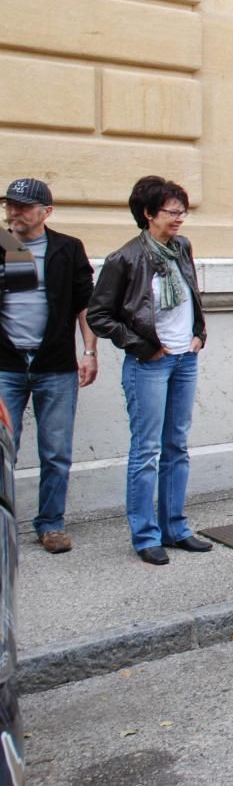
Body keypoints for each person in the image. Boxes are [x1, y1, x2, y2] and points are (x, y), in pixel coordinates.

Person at [87, 176, 212, 565]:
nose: (179, 219)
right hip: (150, 364)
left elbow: (192, 295)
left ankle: (175, 527)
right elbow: (99, 315)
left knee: (177, 445)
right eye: (172, 212)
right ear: (147, 213)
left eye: (182, 211)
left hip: (184, 359)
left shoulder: (181, 248)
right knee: (146, 450)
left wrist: (199, 332)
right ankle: (145, 535)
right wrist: (144, 346)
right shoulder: (124, 259)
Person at [0, 178, 97, 554]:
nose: (13, 212)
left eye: (22, 207)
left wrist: (90, 351)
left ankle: (51, 523)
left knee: (55, 451)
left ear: (46, 212)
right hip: (6, 364)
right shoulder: (4, 245)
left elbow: (84, 305)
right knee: (4, 450)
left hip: (54, 365)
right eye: (10, 206)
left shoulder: (67, 249)